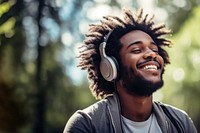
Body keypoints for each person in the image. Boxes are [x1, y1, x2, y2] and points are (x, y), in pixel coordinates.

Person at [63, 8, 197, 133]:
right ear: (111, 67)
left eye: (155, 50)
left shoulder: (181, 123)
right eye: (137, 50)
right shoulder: (86, 124)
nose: (151, 54)